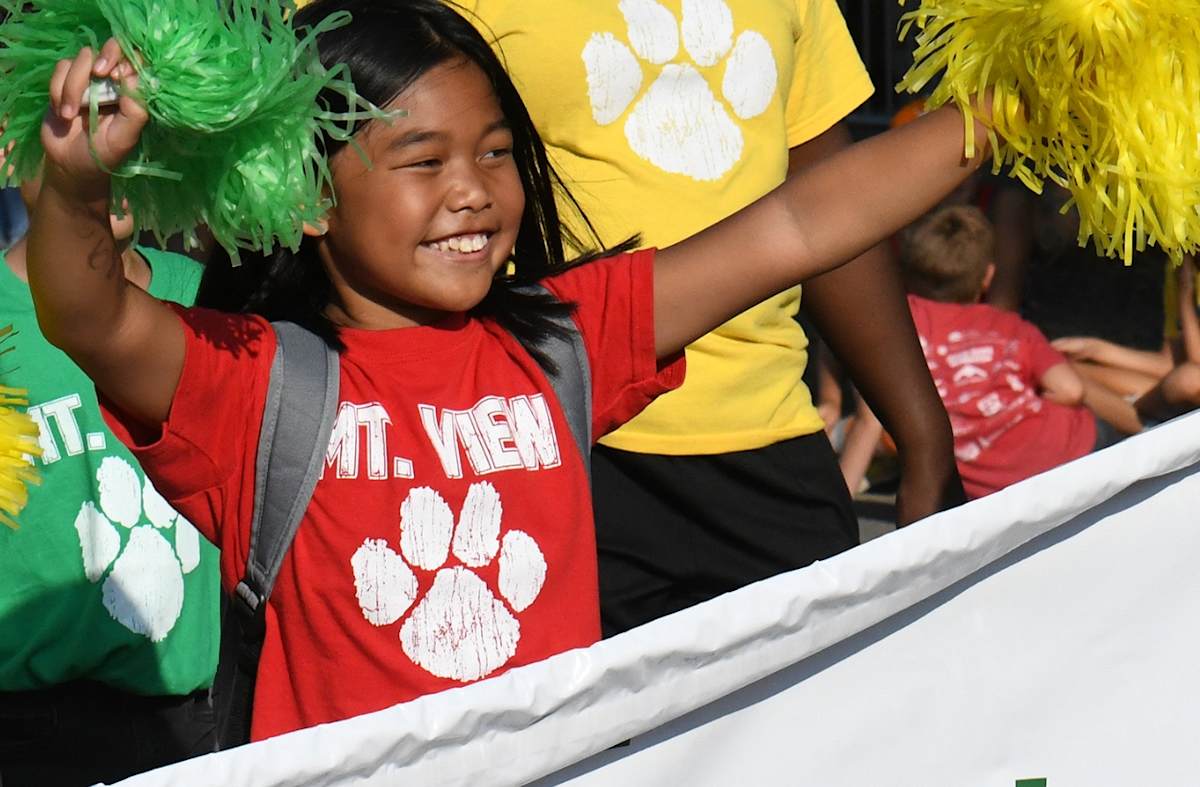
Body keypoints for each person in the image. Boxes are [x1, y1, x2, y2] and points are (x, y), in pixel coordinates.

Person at [26, 0, 990, 742]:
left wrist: (999, 115)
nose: (471, 191)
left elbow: (801, 223)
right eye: (422, 159)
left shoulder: (566, 342)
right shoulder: (254, 388)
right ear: (308, 196)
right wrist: (75, 184)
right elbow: (91, 313)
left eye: (495, 154)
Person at [464, 0, 963, 635]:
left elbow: (823, 209)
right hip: (558, 442)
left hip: (773, 441)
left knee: (823, 724)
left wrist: (923, 435)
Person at [0, 169, 219, 785]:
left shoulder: (214, 299)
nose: (110, 161)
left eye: (126, 129)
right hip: (34, 736)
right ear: (10, 151)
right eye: (78, 133)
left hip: (213, 719)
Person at [901, 206, 1104, 499]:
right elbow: (1071, 390)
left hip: (989, 489)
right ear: (988, 277)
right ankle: (1149, 428)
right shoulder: (1008, 326)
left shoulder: (906, 319)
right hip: (1070, 454)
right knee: (1082, 384)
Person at [1052, 257, 1200, 433]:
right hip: (1177, 393)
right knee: (1061, 370)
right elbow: (1169, 364)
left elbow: (1194, 368)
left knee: (1188, 380)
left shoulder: (1187, 283)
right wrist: (1096, 349)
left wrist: (1185, 296)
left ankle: (1139, 424)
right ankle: (1137, 418)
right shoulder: (1183, 264)